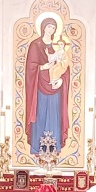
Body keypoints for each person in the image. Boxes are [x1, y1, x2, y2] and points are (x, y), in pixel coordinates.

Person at [24, 13, 70, 154]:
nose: (50, 30)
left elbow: (65, 67)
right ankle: (39, 149)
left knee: (54, 115)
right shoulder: (35, 45)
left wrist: (61, 80)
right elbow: (30, 68)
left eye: (53, 27)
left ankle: (53, 149)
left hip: (55, 88)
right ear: (43, 27)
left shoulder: (58, 47)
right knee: (41, 114)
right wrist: (43, 67)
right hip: (39, 88)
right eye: (49, 27)